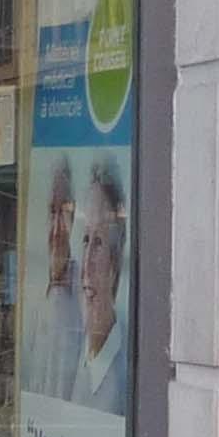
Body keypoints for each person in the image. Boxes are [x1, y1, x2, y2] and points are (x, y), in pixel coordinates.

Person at [69, 161, 132, 417]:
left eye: (99, 243)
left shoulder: (124, 376)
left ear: (115, 262)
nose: (86, 266)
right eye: (86, 240)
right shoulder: (78, 351)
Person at [26, 158, 86, 396]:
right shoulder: (34, 297)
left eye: (66, 212)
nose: (58, 228)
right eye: (53, 212)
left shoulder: (86, 298)